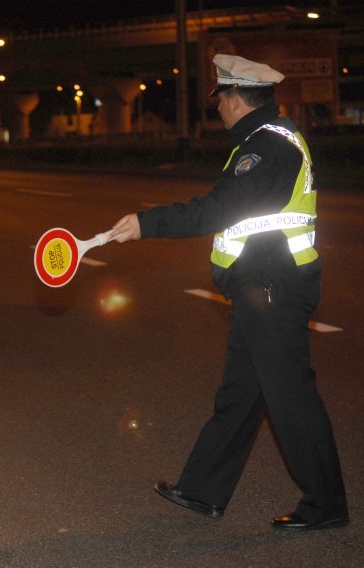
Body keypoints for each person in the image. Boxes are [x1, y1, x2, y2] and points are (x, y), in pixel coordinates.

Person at [109, 54, 348, 531]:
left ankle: (327, 505)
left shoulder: (266, 148)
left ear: (236, 99)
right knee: (240, 396)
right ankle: (202, 490)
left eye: (219, 98)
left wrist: (147, 222)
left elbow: (220, 208)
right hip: (261, 288)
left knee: (292, 400)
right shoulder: (267, 140)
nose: (216, 107)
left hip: (273, 288)